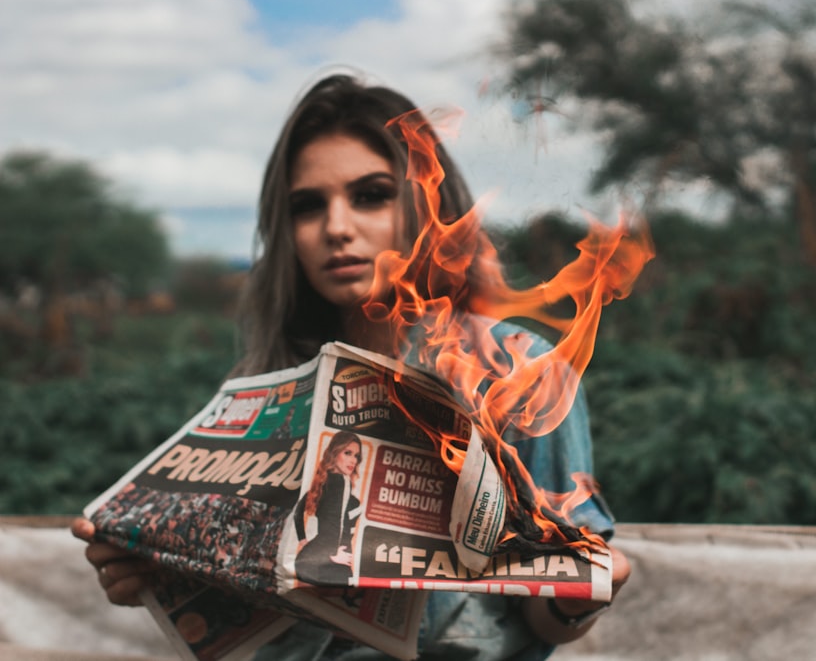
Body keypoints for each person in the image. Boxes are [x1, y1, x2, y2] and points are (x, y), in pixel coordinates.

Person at [72, 71, 631, 660]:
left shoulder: (517, 371)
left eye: (370, 195)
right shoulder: (263, 384)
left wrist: (579, 597)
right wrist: (154, 575)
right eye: (308, 206)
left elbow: (547, 619)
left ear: (427, 206)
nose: (336, 228)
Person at [293, 431, 363, 586]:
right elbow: (335, 526)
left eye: (356, 456)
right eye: (348, 453)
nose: (353, 460)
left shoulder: (326, 482)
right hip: (327, 561)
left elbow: (298, 513)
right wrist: (332, 555)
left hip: (318, 560)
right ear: (334, 453)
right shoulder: (338, 483)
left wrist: (304, 541)